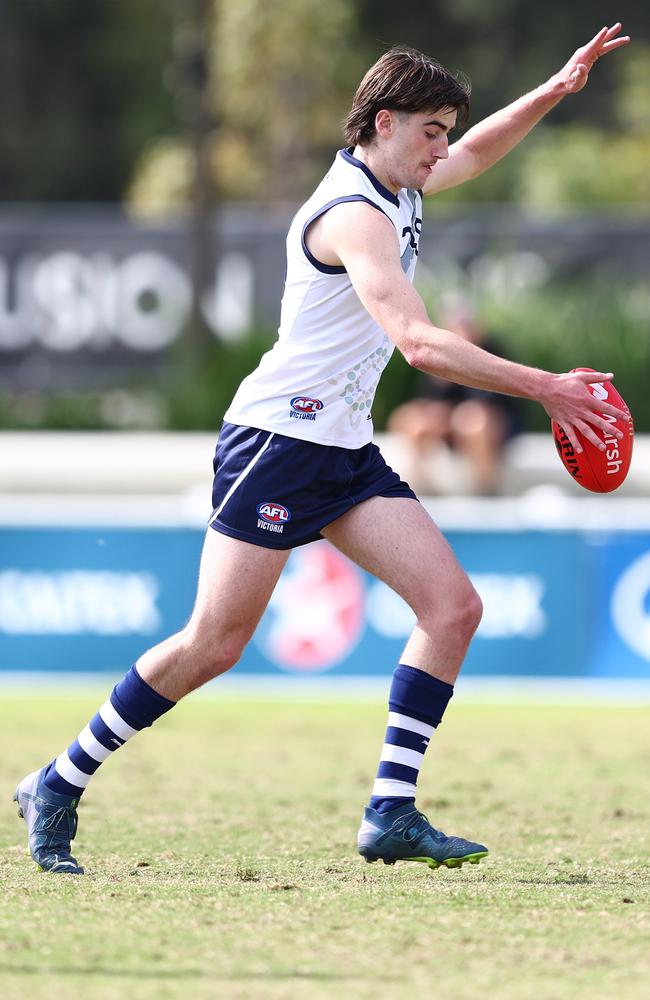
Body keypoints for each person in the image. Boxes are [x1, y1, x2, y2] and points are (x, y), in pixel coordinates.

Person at [15, 24, 630, 874]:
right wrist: (550, 386)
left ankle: (390, 811)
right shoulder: (353, 215)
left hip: (340, 450)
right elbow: (417, 342)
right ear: (382, 123)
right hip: (277, 444)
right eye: (431, 132)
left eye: (445, 132)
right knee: (213, 644)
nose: (442, 149)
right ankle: (58, 779)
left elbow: (479, 154)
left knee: (452, 608)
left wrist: (554, 90)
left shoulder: (402, 179)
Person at [387, 299, 521, 495]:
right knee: (410, 419)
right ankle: (419, 490)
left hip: (491, 424)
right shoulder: (439, 355)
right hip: (456, 422)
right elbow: (431, 403)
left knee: (473, 420)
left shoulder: (492, 351)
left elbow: (498, 403)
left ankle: (485, 492)